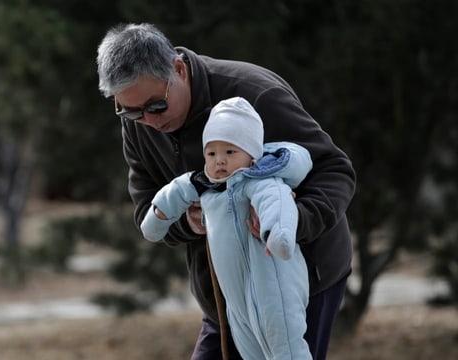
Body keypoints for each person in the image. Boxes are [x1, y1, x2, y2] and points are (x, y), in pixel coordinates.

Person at [96, 23, 355, 360]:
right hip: (222, 292)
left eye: (156, 106)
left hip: (299, 281)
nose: (149, 121)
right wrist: (187, 220)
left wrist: (293, 219)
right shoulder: (138, 124)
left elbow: (335, 170)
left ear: (178, 69)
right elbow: (148, 208)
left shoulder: (255, 93)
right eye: (131, 111)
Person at [140, 96, 313, 359]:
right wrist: (158, 217)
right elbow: (175, 192)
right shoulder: (205, 187)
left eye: (230, 152)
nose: (219, 161)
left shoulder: (261, 181)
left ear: (252, 156)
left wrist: (278, 234)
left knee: (286, 348)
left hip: (275, 288)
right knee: (248, 350)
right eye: (212, 153)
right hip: (236, 299)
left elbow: (277, 205)